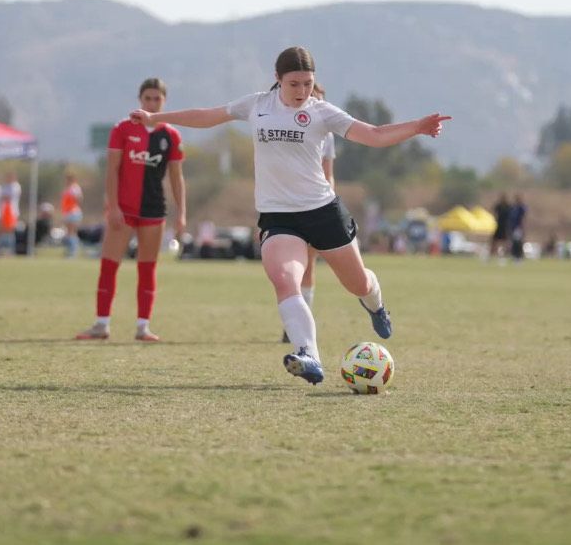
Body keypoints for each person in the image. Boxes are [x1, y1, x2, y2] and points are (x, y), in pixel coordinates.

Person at [125, 46, 449, 384]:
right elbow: (207, 115)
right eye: (294, 84)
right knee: (285, 279)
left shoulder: (322, 112)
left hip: (323, 212)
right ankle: (309, 355)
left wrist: (418, 127)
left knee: (358, 283)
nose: (302, 91)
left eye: (308, 84)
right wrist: (155, 119)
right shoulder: (257, 105)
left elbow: (374, 135)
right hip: (279, 217)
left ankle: (376, 305)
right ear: (277, 80)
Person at [75, 78, 187, 342]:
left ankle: (142, 327)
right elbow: (112, 171)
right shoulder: (123, 129)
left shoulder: (171, 136)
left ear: (164, 102)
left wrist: (181, 213)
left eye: (156, 99)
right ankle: (101, 325)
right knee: (109, 265)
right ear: (140, 100)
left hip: (153, 210)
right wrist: (112, 206)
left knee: (147, 269)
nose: (151, 103)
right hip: (123, 211)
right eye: (147, 98)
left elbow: (176, 178)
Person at [282, 82, 335, 343]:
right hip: (287, 206)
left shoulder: (327, 133)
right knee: (289, 267)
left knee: (309, 265)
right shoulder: (285, 126)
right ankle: (292, 323)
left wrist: (328, 204)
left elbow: (329, 174)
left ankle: (303, 320)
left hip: (315, 204)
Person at [0, 171, 22, 255]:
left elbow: (7, 197)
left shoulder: (15, 186)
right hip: (3, 211)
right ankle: (1, 249)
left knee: (9, 230)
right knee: (1, 230)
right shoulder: (5, 186)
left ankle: (10, 249)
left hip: (11, 211)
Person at [60, 173, 84, 258]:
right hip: (68, 212)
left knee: (72, 232)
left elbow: (79, 198)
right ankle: (70, 251)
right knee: (69, 233)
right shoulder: (68, 188)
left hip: (73, 212)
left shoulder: (74, 188)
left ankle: (73, 252)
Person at [490, 193, 511, 261]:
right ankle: (491, 255)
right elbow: (494, 212)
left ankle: (504, 254)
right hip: (499, 225)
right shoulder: (498, 206)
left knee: (505, 241)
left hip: (505, 226)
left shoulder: (508, 206)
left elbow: (510, 216)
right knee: (494, 241)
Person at [508, 194, 528, 262]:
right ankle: (514, 255)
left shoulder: (521, 207)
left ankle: (519, 256)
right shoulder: (513, 207)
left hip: (518, 227)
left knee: (518, 242)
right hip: (513, 227)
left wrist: (522, 227)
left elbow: (524, 215)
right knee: (514, 242)